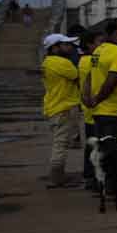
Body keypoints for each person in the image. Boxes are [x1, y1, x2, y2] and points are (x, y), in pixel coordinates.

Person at [87, 19, 117, 208]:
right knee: (116, 154)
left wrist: (89, 98)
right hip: (115, 111)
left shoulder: (98, 51)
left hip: (99, 111)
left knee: (103, 150)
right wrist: (99, 98)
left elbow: (90, 76)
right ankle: (113, 190)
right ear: (116, 33)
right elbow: (113, 79)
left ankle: (105, 187)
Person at [41, 33, 81, 187]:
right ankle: (57, 178)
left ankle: (57, 176)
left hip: (54, 105)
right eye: (66, 44)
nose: (70, 47)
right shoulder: (61, 63)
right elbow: (77, 76)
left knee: (60, 141)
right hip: (64, 106)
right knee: (61, 143)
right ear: (55, 47)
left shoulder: (48, 62)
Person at [78, 28, 106, 190]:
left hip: (89, 109)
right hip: (96, 109)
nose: (103, 46)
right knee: (98, 148)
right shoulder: (92, 61)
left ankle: (89, 177)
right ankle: (96, 179)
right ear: (89, 45)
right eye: (99, 43)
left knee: (91, 146)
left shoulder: (82, 60)